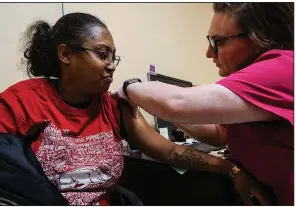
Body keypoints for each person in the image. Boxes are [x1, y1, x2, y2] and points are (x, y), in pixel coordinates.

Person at [0, 12, 259, 205]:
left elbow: (169, 151)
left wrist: (231, 169)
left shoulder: (114, 106)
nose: (111, 65)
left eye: (114, 57)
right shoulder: (22, 101)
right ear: (65, 54)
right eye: (102, 55)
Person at [114, 3, 294, 205]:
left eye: (218, 42)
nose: (209, 53)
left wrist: (129, 87)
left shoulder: (285, 67)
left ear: (260, 37)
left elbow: (176, 104)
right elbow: (218, 134)